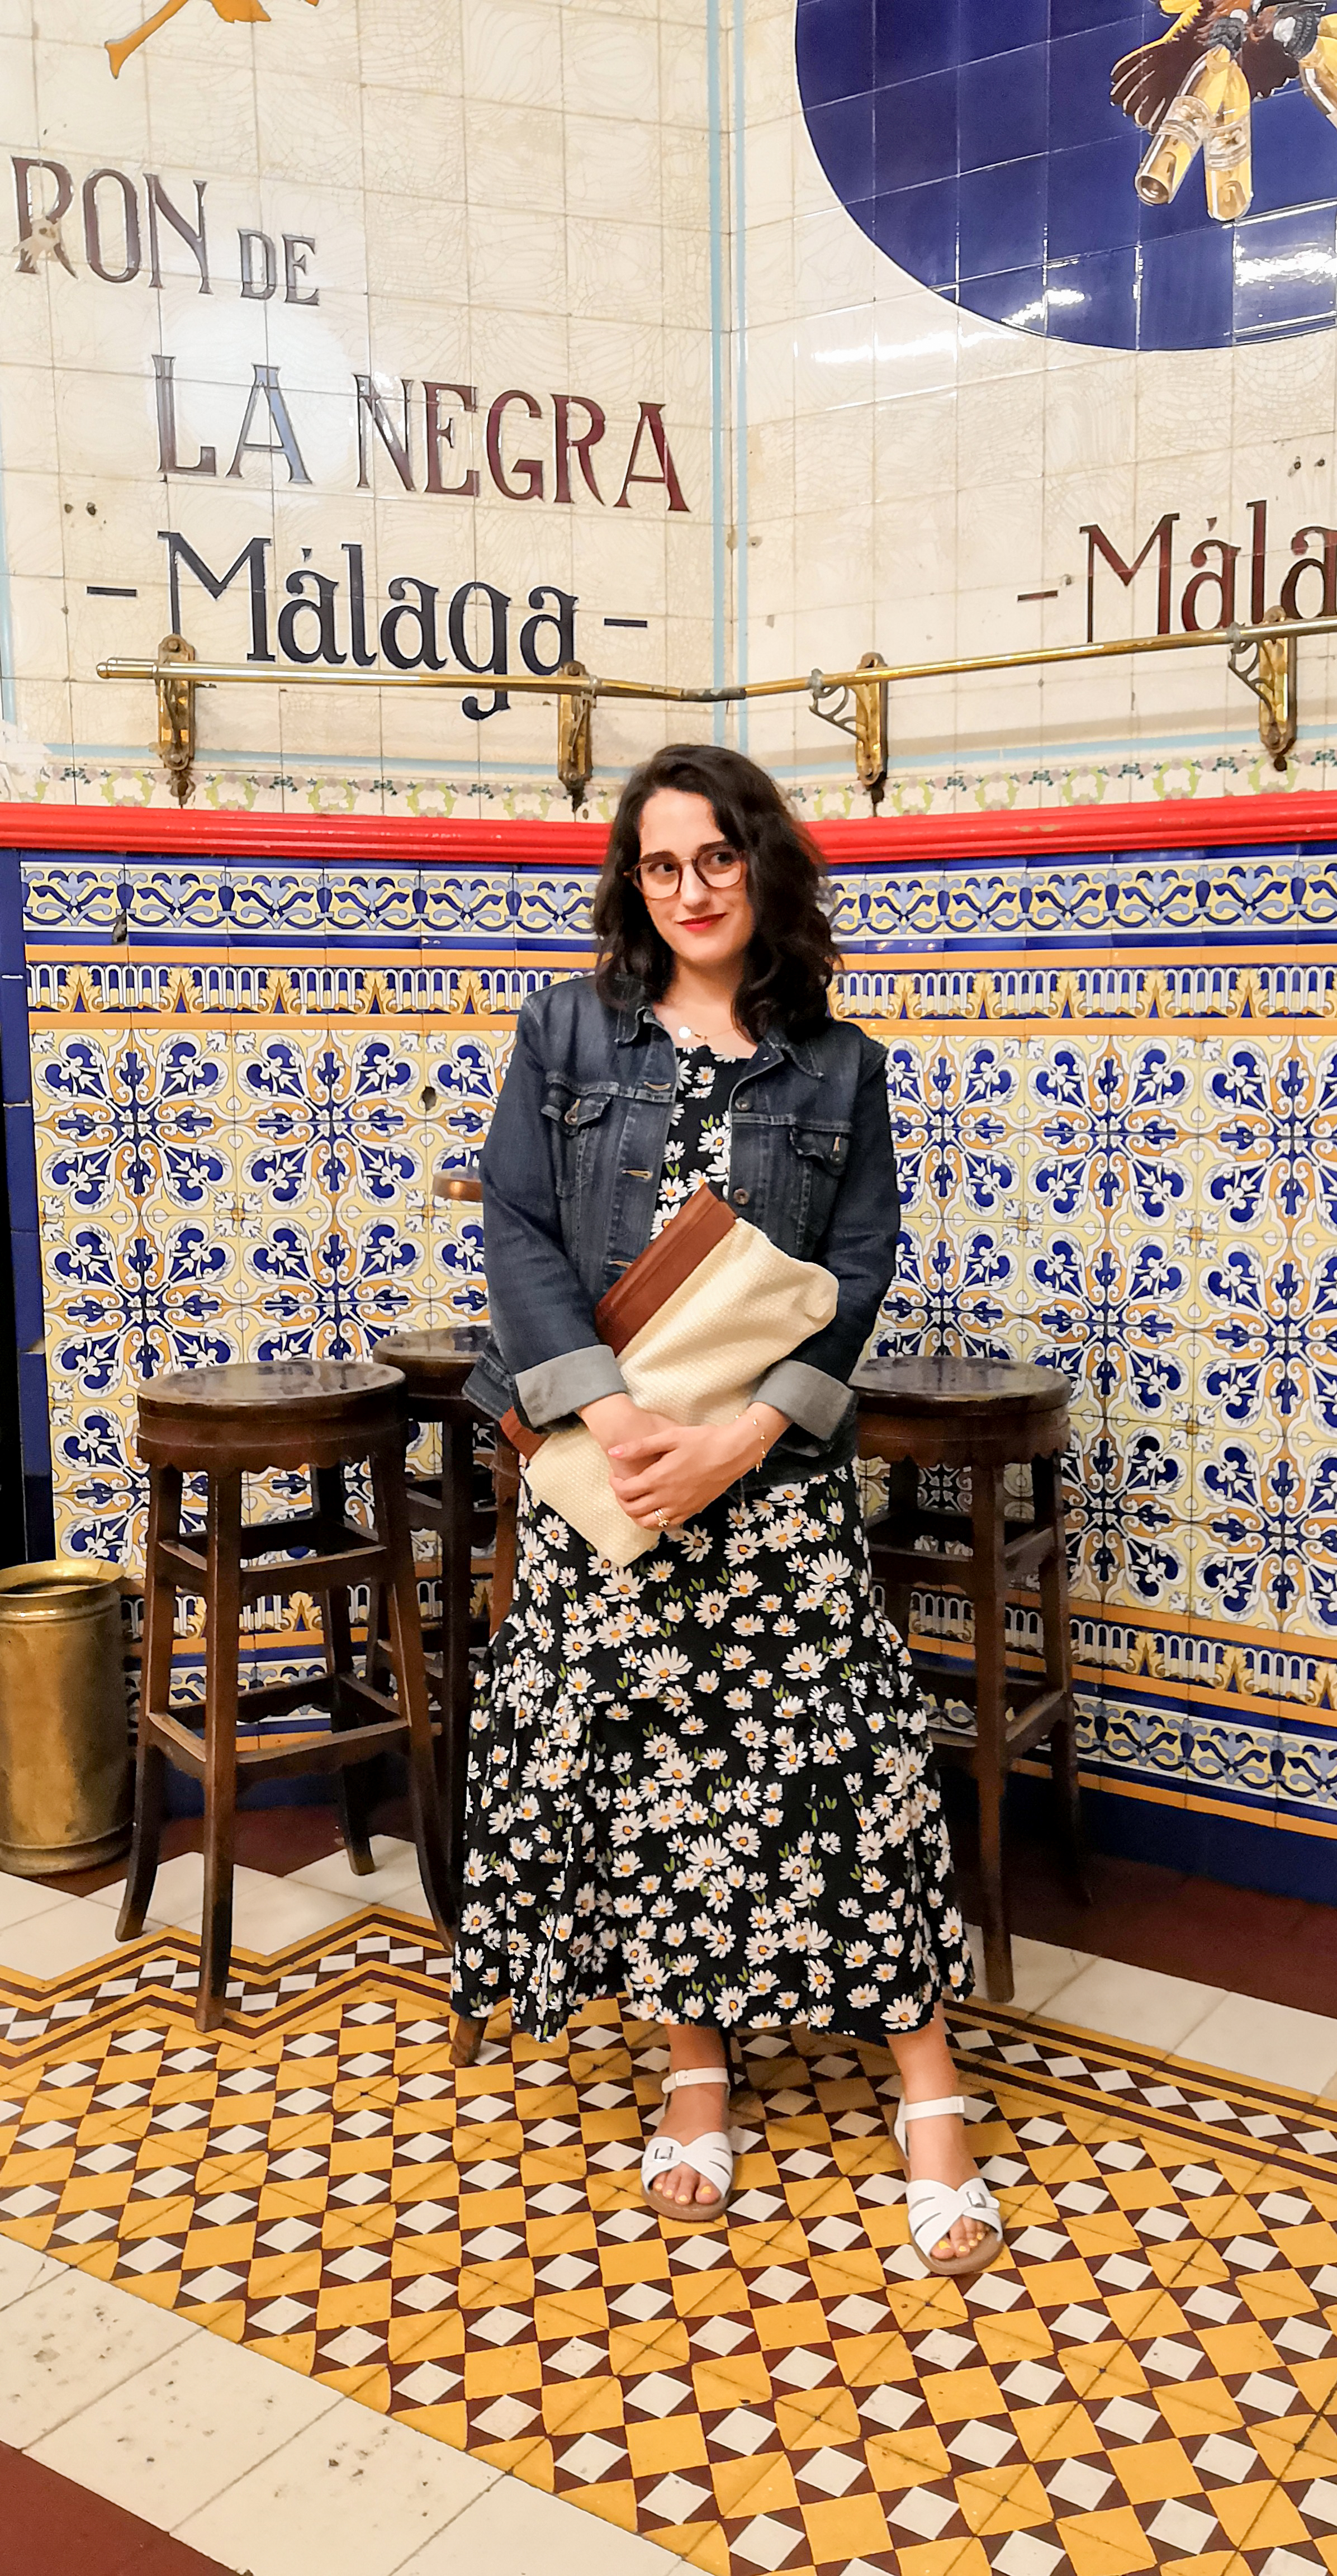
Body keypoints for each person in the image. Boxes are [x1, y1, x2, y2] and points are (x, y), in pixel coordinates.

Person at [451, 744, 997, 2273]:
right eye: (659, 862)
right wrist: (613, 1413)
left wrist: (746, 1441)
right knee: (651, 1772)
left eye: (717, 857)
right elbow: (515, 1220)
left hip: (767, 1488)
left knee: (850, 1769)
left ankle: (930, 2090)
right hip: (612, 1479)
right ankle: (696, 2070)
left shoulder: (840, 1063)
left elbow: (862, 1269)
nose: (689, 888)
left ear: (766, 867)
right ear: (634, 880)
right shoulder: (565, 1032)